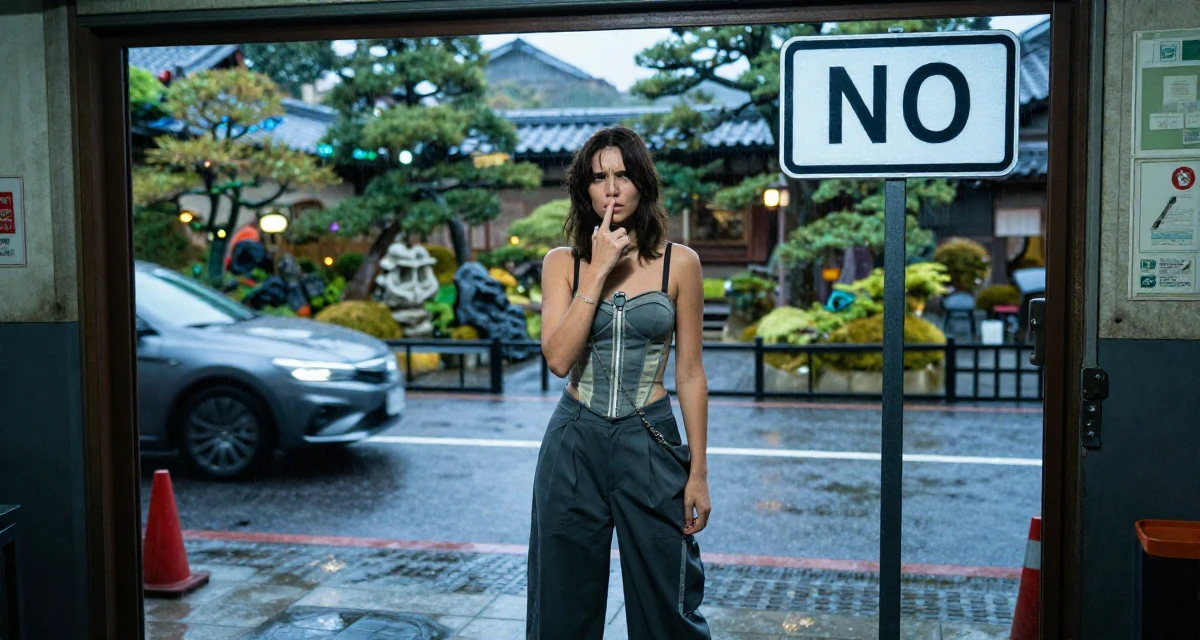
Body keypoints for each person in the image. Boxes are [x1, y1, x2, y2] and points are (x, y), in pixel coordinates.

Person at [526, 125, 713, 640]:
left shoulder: (682, 263)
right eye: (599, 177)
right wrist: (597, 269)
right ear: (584, 190)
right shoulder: (562, 263)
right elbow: (559, 359)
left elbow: (691, 373)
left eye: (623, 175)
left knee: (668, 604)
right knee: (563, 604)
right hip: (573, 440)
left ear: (642, 184)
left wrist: (698, 472)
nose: (612, 188)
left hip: (648, 439)